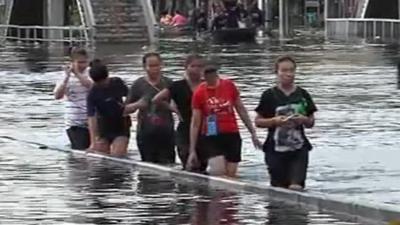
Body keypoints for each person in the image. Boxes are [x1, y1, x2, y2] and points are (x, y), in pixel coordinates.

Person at [254, 56, 317, 190]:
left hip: (298, 148)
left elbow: (311, 122)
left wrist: (303, 119)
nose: (288, 74)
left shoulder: (302, 94)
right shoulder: (269, 95)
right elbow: (258, 122)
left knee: (296, 187)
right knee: (279, 189)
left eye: (291, 70)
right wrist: (274, 121)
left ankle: (299, 210)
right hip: (275, 149)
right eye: (284, 70)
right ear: (277, 72)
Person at [187, 65, 261, 177]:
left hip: (232, 135)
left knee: (231, 175)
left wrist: (253, 133)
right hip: (211, 137)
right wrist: (192, 150)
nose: (209, 80)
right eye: (206, 78)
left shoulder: (229, 86)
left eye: (212, 77)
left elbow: (241, 109)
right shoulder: (199, 93)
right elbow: (195, 123)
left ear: (216, 75)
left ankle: (231, 194)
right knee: (218, 172)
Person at [152, 55, 207, 172]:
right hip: (185, 128)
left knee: (203, 164)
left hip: (204, 128)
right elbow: (156, 99)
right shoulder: (177, 86)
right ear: (186, 67)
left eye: (199, 66)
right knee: (188, 162)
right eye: (193, 66)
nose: (196, 69)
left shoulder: (207, 85)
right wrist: (173, 109)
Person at [125, 52, 175, 164]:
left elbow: (178, 106)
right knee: (148, 170)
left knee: (169, 167)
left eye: (157, 65)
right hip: (145, 133)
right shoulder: (138, 84)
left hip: (166, 133)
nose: (154, 69)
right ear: (144, 67)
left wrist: (170, 106)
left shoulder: (169, 83)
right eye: (151, 66)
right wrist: (138, 104)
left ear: (161, 65)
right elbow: (125, 110)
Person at [86, 59, 130, 157]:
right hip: (104, 127)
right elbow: (91, 118)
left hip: (121, 126)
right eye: (99, 83)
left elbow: (131, 96)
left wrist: (128, 107)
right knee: (103, 158)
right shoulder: (92, 93)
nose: (103, 85)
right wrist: (93, 142)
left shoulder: (117, 83)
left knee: (118, 155)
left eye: (104, 82)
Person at [53, 47, 92, 150]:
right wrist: (67, 78)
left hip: (92, 121)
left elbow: (92, 87)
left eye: (84, 62)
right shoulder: (64, 76)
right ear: (73, 62)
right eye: (79, 62)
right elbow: (57, 96)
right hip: (74, 122)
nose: (82, 65)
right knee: (80, 150)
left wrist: (78, 74)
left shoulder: (91, 73)